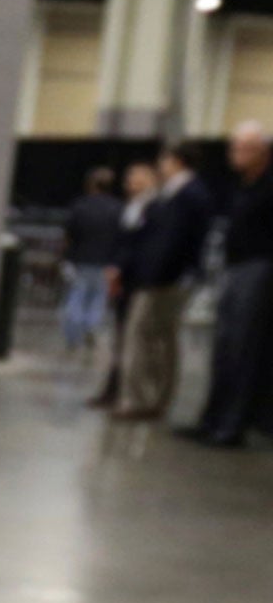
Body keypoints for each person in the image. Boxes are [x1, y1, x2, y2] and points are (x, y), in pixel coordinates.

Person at [182, 123, 273, 446]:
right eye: (234, 147)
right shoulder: (242, 187)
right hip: (235, 269)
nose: (236, 154)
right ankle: (212, 419)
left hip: (258, 270)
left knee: (242, 351)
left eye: (243, 148)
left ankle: (231, 426)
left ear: (263, 152)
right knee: (223, 349)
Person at [109, 143, 213, 422]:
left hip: (161, 280)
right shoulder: (183, 194)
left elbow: (170, 241)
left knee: (142, 337)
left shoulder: (186, 195)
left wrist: (152, 276)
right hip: (167, 278)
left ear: (176, 161)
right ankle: (156, 397)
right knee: (162, 340)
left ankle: (139, 399)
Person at [90, 161, 157, 410]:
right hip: (123, 280)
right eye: (130, 176)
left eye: (137, 177)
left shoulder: (151, 209)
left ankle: (127, 392)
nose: (131, 181)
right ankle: (114, 388)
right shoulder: (130, 207)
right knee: (120, 336)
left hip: (135, 280)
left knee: (132, 339)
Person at [59, 167, 121, 352]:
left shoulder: (80, 206)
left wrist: (65, 257)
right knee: (98, 299)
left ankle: (72, 335)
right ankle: (91, 328)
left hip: (81, 260)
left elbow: (69, 235)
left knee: (76, 297)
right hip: (106, 262)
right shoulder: (117, 208)